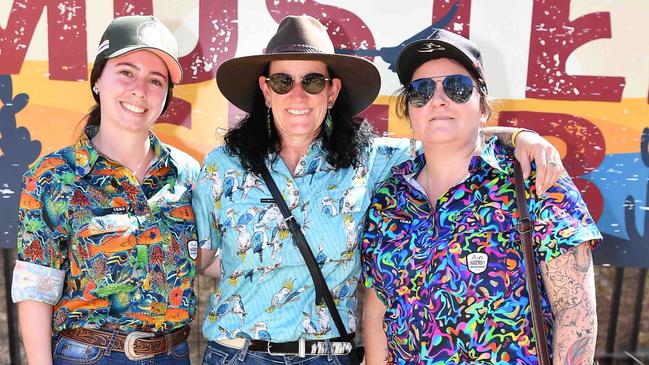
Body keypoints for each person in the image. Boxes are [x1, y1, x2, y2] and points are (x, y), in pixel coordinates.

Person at [193, 15, 564, 365]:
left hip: (328, 355)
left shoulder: (370, 160)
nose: (298, 95)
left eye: (313, 81)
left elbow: (449, 134)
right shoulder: (223, 165)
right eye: (282, 82)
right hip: (237, 354)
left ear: (332, 90)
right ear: (266, 90)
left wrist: (520, 136)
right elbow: (207, 260)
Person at [360, 29, 602, 364]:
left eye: (457, 88)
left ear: (483, 105)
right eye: (421, 91)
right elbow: (377, 312)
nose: (438, 100)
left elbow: (575, 314)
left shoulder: (535, 181)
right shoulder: (389, 199)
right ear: (410, 110)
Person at [11, 15, 198, 365]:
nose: (139, 90)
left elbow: (208, 257)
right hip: (89, 355)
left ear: (166, 96)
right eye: (126, 72)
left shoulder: (188, 173)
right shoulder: (53, 176)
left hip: (174, 354)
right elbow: (36, 290)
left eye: (155, 80)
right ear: (98, 80)